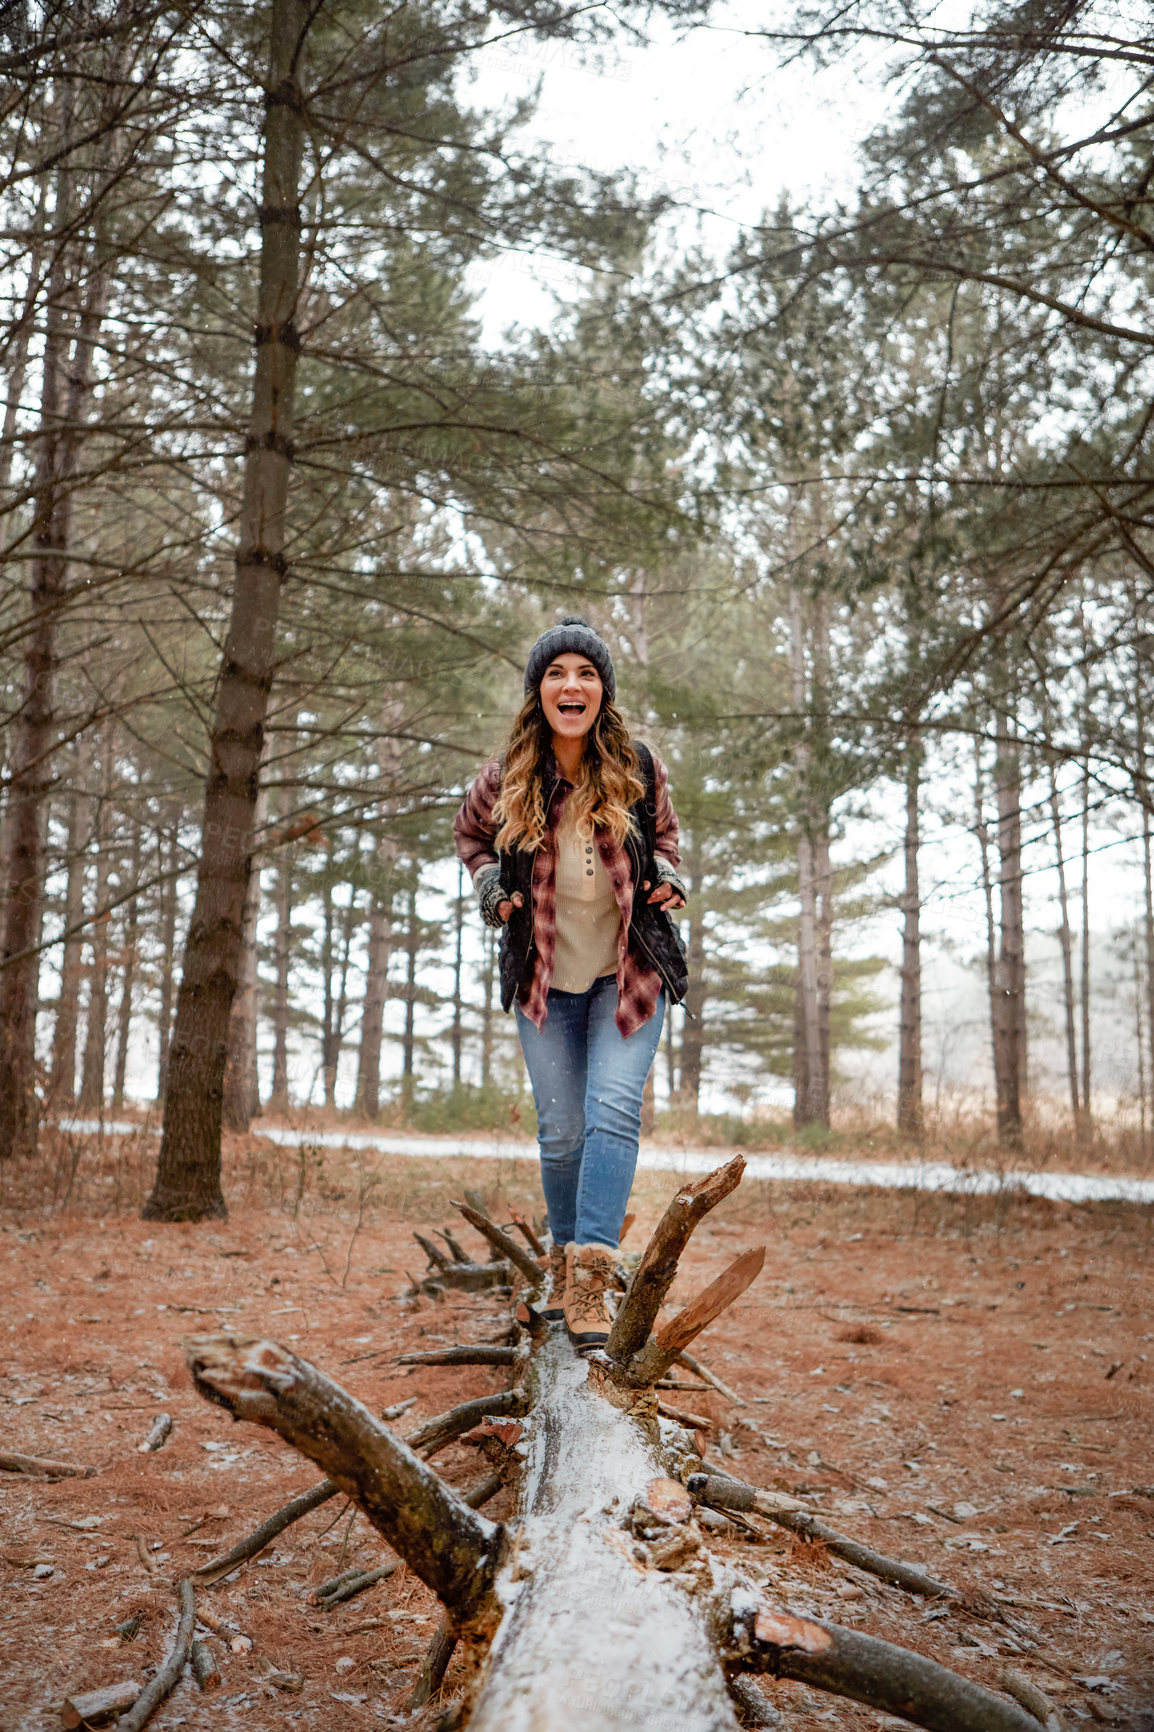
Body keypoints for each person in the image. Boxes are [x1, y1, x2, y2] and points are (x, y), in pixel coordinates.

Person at [454, 617, 687, 1353]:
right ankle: (561, 1264)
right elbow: (470, 838)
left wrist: (671, 879)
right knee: (560, 1132)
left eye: (586, 673)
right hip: (546, 979)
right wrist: (492, 884)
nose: (571, 685)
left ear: (602, 691)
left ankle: (591, 1277)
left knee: (612, 1110)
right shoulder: (506, 775)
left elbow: (670, 842)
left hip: (631, 974)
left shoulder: (638, 767)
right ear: (539, 691)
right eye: (557, 673)